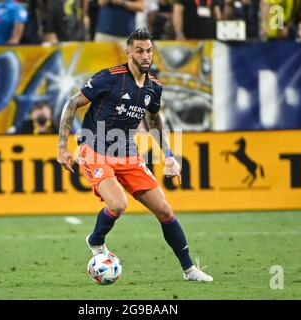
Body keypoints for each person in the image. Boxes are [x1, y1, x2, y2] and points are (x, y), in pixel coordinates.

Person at [57, 28, 213, 282]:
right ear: (128, 52)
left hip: (127, 152)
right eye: (139, 50)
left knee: (164, 210)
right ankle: (96, 241)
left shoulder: (154, 88)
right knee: (118, 205)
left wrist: (169, 156)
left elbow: (154, 120)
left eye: (149, 50)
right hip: (94, 149)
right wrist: (62, 147)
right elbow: (72, 103)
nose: (145, 55)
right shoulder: (109, 78)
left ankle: (189, 270)